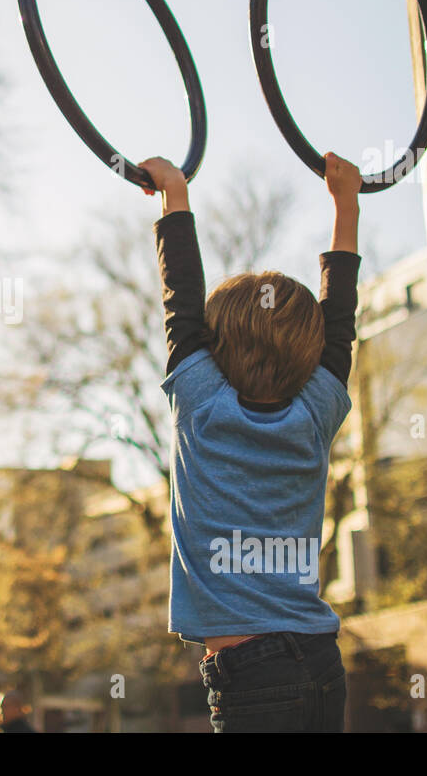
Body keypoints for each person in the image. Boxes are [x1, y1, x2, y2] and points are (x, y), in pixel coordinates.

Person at [139, 151, 361, 733]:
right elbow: (339, 321)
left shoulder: (202, 407)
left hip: (254, 674)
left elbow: (182, 301)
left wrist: (176, 193)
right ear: (310, 358)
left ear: (215, 348)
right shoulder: (315, 413)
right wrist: (345, 203)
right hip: (319, 660)